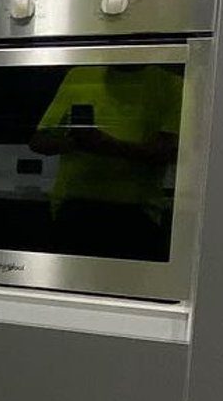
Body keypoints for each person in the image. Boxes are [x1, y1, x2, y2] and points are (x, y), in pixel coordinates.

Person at [29, 64, 182, 258]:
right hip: (73, 210)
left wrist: (102, 145)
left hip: (136, 215)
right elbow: (38, 141)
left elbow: (163, 153)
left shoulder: (170, 85)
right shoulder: (79, 76)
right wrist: (75, 143)